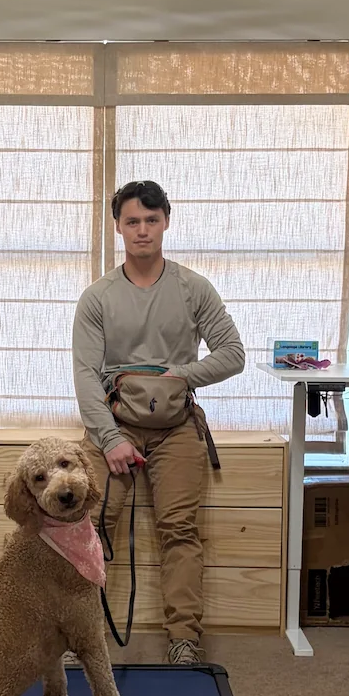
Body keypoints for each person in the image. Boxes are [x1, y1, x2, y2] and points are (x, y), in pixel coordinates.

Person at [72, 180, 245, 664]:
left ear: (166, 221)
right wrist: (108, 440)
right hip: (114, 425)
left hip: (177, 427)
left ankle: (183, 639)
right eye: (132, 221)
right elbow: (86, 377)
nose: (142, 230)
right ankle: (81, 637)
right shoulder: (97, 298)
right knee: (91, 526)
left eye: (151, 220)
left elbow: (233, 355)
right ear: (118, 227)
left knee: (179, 530)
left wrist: (183, 372)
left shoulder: (193, 288)